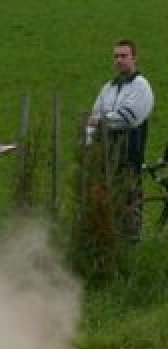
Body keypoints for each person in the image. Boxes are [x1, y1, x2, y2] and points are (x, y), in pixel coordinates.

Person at [87, 39, 154, 240]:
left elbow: (129, 118)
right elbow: (92, 118)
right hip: (104, 161)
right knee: (104, 211)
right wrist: (89, 142)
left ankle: (129, 253)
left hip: (128, 159)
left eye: (124, 56)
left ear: (134, 57)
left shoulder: (141, 87)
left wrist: (101, 121)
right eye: (116, 56)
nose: (119, 60)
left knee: (128, 211)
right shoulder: (108, 87)